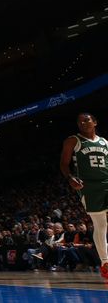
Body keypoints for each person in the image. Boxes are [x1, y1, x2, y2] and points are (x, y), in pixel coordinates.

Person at [59, 112, 108, 279]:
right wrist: (70, 177)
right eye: (80, 122)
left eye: (86, 120)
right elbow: (64, 164)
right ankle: (105, 263)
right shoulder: (73, 140)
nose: (83, 123)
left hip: (106, 181)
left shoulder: (105, 142)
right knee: (100, 224)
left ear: (94, 122)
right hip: (88, 186)